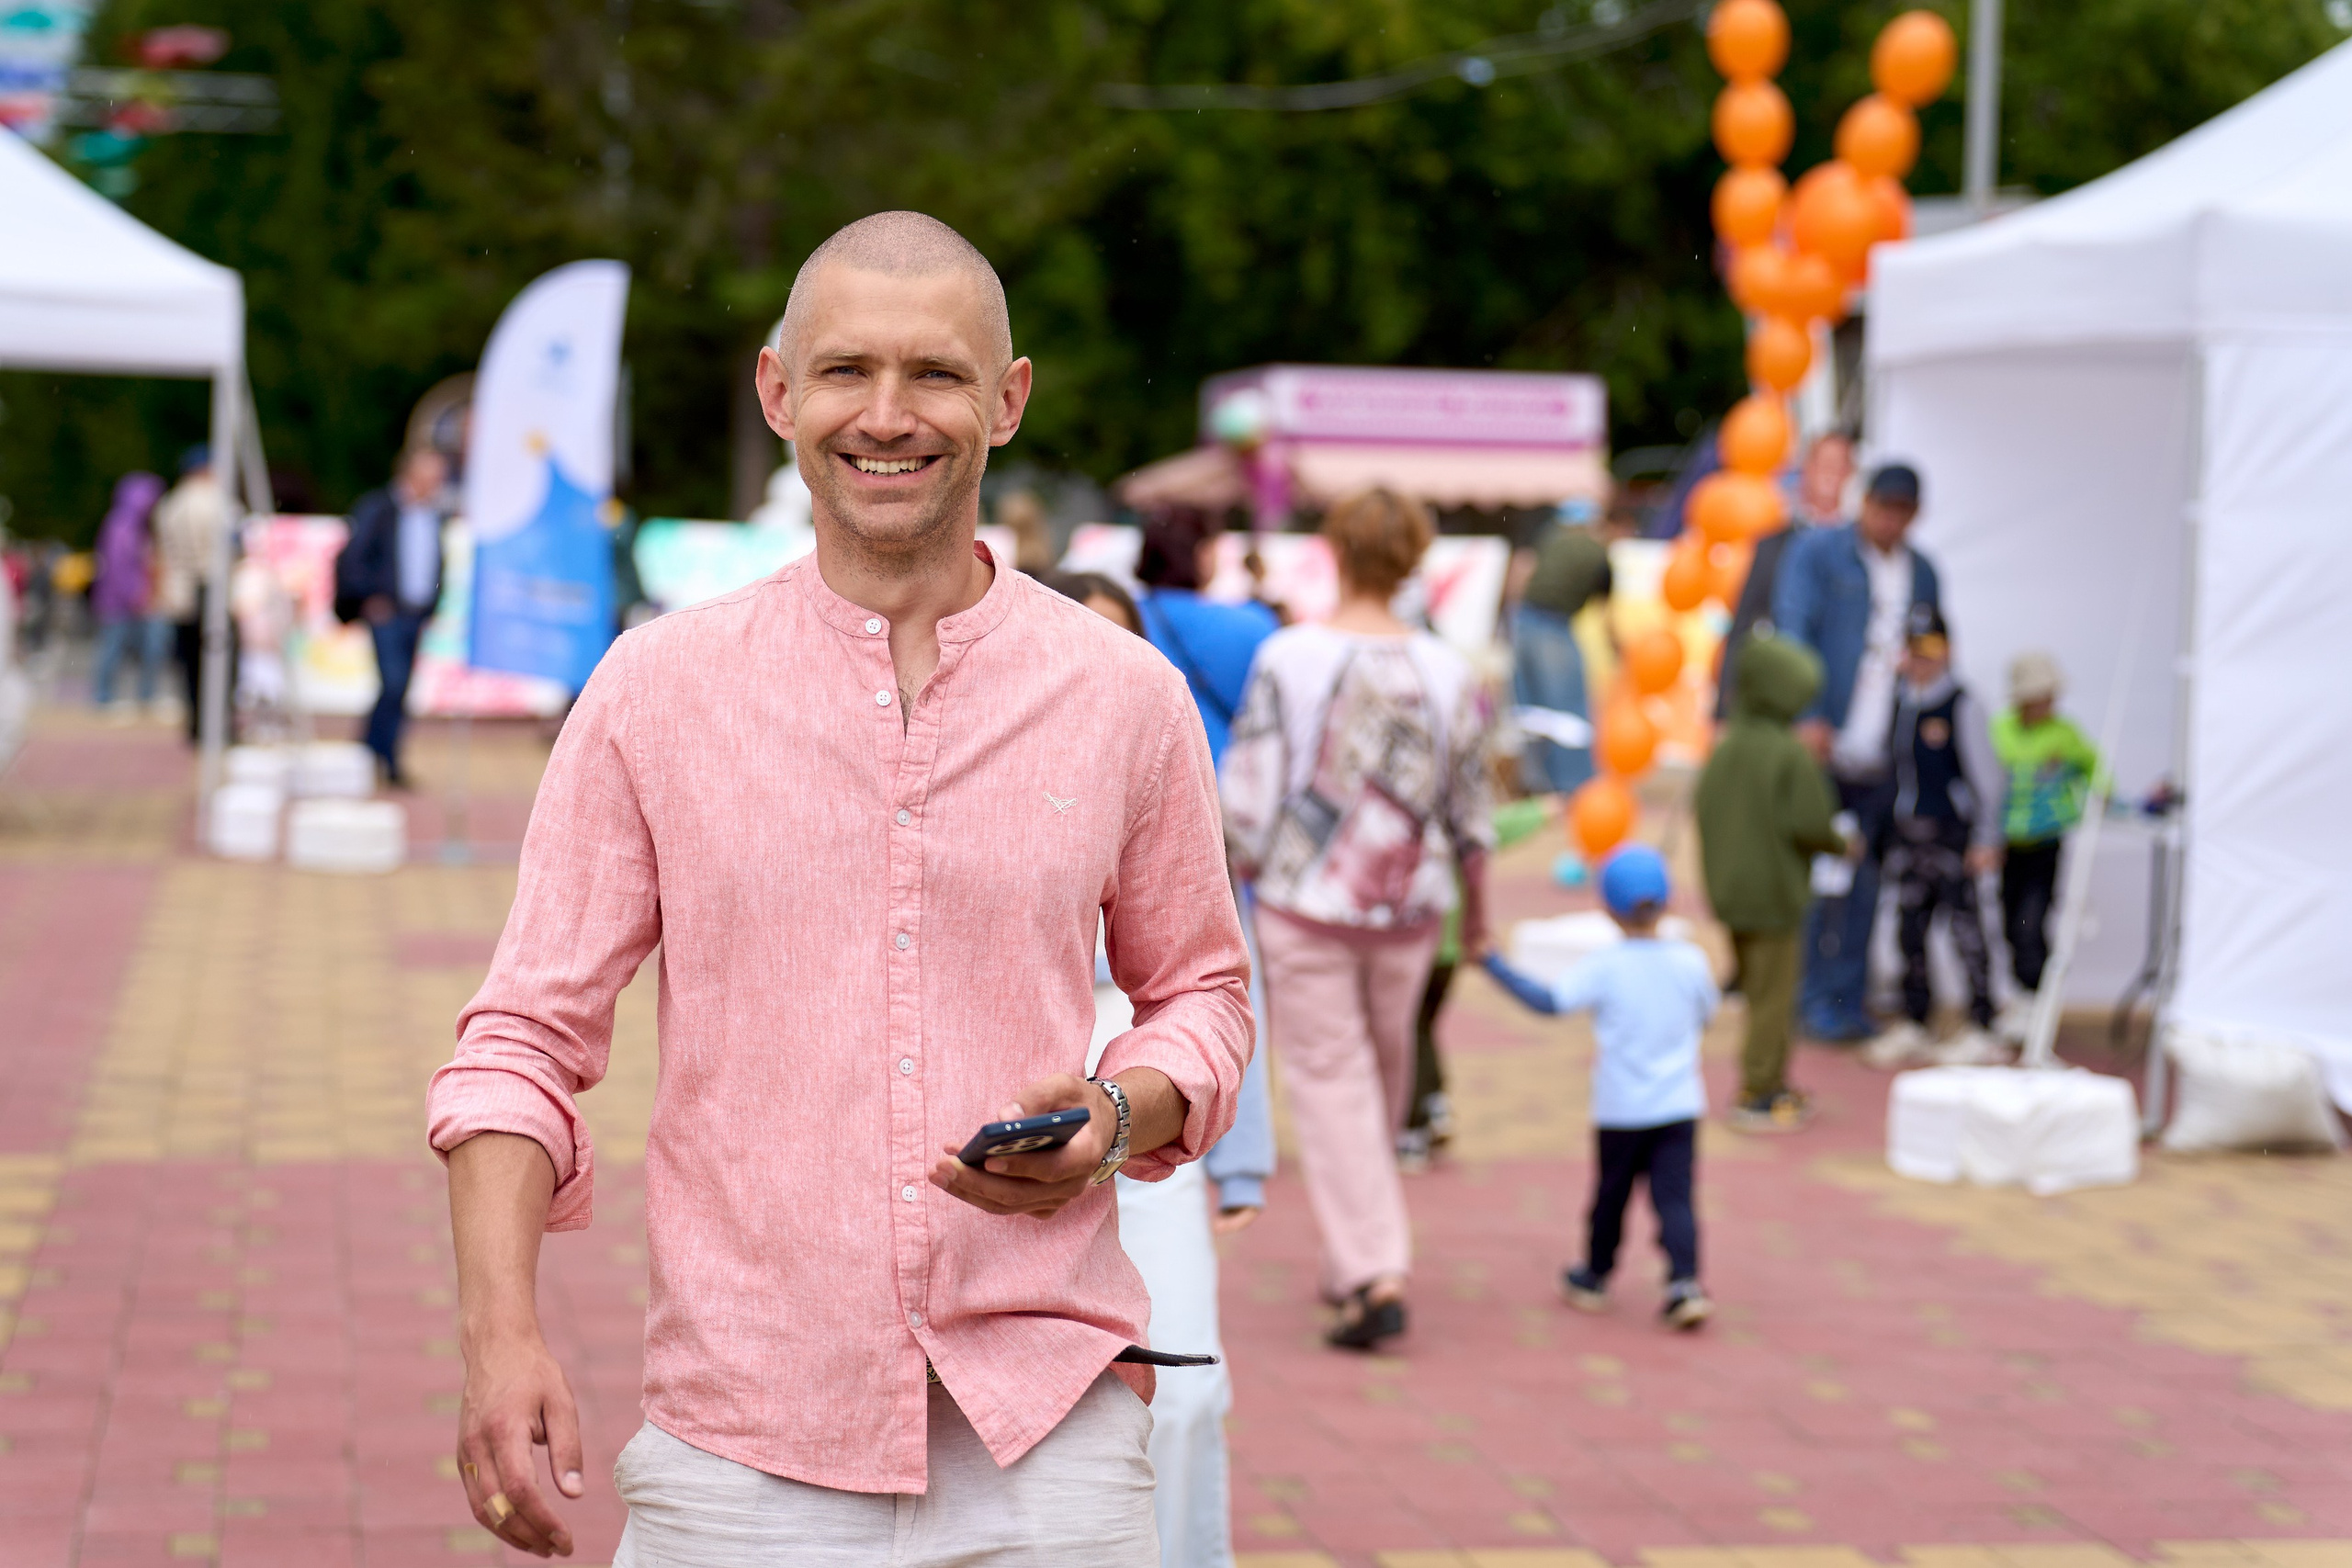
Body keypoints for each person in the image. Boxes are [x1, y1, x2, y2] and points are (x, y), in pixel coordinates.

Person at [427, 211, 1253, 1565]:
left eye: (934, 373)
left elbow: (1203, 994)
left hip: (1047, 1439)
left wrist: (1114, 1114)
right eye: (844, 371)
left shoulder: (1126, 696)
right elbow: (520, 1040)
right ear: (778, 393)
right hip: (740, 1444)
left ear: (1007, 398)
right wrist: (498, 1332)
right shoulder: (657, 691)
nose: (887, 415)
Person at [1221, 486, 1495, 1351]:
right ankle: (1357, 1256)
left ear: (1333, 549)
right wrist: (1478, 918)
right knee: (1379, 1075)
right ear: (1416, 557)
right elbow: (1472, 812)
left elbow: (1251, 792)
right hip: (1412, 907)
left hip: (1306, 904)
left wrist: (1237, 876)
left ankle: (1373, 1264)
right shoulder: (1453, 671)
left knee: (1332, 1082)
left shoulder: (1288, 654)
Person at [1040, 561, 1274, 1568]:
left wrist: (1240, 1156)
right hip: (1013, 1131)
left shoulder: (1163, 762)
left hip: (1148, 1118)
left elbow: (1211, 982)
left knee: (1183, 1388)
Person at [1476, 845, 1720, 1328]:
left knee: (1612, 1194)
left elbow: (1549, 1003)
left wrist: (1493, 965)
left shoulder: (1605, 966)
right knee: (1675, 1198)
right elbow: (1707, 1014)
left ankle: (1595, 1274)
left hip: (1621, 1108)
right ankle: (1684, 1282)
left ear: (1607, 907)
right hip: (1678, 1105)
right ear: (1667, 901)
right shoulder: (1691, 961)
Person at [1771, 462, 1941, 1042]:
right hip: (1826, 747)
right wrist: (1804, 712)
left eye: (1902, 511)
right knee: (1822, 877)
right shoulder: (1820, 554)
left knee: (1867, 878)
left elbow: (1933, 644)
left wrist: (1925, 667)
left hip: (1884, 751)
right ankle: (1810, 995)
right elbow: (1791, 630)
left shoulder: (1921, 572)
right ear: (1863, 502)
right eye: (1882, 507)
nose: (1890, 520)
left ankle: (1849, 995)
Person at [1694, 631, 1849, 1129]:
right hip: (1777, 898)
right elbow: (1811, 822)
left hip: (1730, 895)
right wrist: (1844, 843)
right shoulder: (1788, 753)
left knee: (1756, 993)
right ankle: (1760, 1090)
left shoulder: (1725, 749)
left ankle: (1769, 1082)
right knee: (1773, 1000)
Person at [1860, 606, 2007, 1068]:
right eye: (1916, 652)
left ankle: (1983, 1024)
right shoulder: (1902, 700)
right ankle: (1914, 1020)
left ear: (1947, 652)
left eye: (1931, 652)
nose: (1923, 662)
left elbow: (1987, 778)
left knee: (1966, 929)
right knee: (1910, 931)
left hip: (1951, 836)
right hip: (1908, 836)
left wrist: (1987, 837)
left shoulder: (1961, 704)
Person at [1990, 651, 2104, 1041]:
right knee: (2009, 920)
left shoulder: (2065, 733)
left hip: (2045, 844)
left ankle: (2038, 999)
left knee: (2031, 921)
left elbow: (2096, 769)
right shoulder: (1999, 729)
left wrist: (2100, 796)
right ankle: (2022, 997)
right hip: (2007, 844)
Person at [1716, 431, 1853, 722]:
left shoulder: (1859, 550)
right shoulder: (1773, 545)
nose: (1830, 474)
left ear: (1850, 474)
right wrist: (1723, 709)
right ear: (1807, 469)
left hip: (1838, 709)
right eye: (1823, 463)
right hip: (1781, 701)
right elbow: (1743, 623)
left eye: (1839, 465)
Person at [336, 446, 452, 788]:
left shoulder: (433, 515)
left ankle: (377, 751)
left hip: (416, 613)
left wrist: (433, 604)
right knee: (393, 682)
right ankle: (377, 751)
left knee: (400, 688)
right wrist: (370, 596)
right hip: (387, 611)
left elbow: (435, 563)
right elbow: (354, 557)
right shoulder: (380, 509)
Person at [1132, 506, 1280, 762]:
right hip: (1218, 773)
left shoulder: (1116, 618)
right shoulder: (1253, 624)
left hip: (1137, 768)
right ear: (1202, 554)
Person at [1510, 498, 1615, 792]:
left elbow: (1522, 572)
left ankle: (1535, 784)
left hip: (1522, 621)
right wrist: (1616, 646)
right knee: (1568, 711)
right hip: (1554, 625)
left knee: (1531, 712)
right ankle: (1575, 787)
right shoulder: (1597, 551)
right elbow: (1605, 608)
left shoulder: (1550, 537)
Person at [152, 445, 236, 746]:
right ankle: (216, 724)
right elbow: (233, 545)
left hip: (180, 591)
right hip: (211, 587)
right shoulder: (216, 501)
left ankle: (197, 724)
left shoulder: (169, 505)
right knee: (219, 662)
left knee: (189, 664)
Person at [89, 471, 171, 716]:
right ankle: (104, 698)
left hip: (132, 599)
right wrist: (134, 594)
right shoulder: (122, 525)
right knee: (114, 648)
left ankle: (144, 696)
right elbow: (118, 565)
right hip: (121, 601)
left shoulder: (134, 525)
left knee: (147, 648)